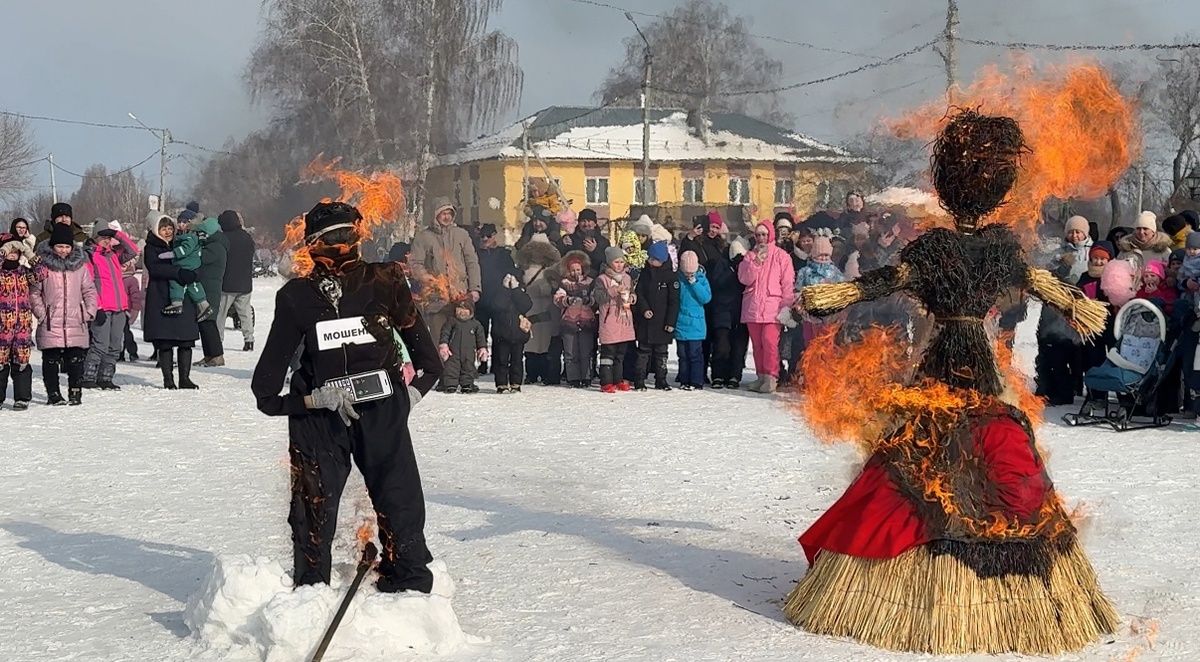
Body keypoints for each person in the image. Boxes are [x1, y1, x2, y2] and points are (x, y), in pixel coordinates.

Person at [786, 110, 1116, 654]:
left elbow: (890, 279)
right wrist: (1073, 300)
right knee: (980, 458)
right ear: (999, 188)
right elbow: (1030, 280)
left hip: (945, 360)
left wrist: (842, 295)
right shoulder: (995, 249)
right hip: (975, 365)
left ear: (945, 185)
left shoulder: (943, 247)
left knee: (924, 457)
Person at [251, 201, 443, 594]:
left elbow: (430, 363)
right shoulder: (296, 296)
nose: (341, 245)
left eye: (347, 235)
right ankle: (311, 592)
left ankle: (409, 587)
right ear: (311, 245)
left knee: (399, 499)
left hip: (382, 409)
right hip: (320, 419)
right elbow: (265, 392)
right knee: (312, 509)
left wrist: (409, 397)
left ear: (359, 234)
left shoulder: (386, 279)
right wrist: (311, 402)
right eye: (331, 239)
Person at [31, 224, 97, 406]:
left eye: (67, 246)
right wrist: (42, 314)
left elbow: (90, 290)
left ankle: (75, 391)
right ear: (52, 246)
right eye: (60, 246)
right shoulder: (43, 267)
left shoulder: (79, 267)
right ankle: (53, 393)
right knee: (51, 359)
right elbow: (34, 292)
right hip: (51, 321)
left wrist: (88, 311)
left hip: (76, 320)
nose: (63, 250)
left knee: (76, 359)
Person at [409, 197, 482, 341]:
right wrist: (429, 280)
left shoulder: (461, 234)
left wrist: (475, 288)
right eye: (443, 213)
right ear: (435, 215)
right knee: (439, 340)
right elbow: (415, 264)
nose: (447, 216)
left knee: (461, 342)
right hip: (436, 299)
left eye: (449, 213)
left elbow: (472, 262)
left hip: (460, 298)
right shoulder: (423, 237)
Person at [143, 215, 201, 390]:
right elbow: (155, 268)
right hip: (161, 295)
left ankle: (185, 378)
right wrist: (178, 272)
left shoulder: (182, 243)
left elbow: (195, 259)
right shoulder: (151, 248)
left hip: (183, 295)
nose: (167, 232)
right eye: (163, 229)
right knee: (165, 340)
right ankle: (168, 378)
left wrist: (194, 273)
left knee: (186, 340)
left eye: (170, 228)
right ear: (156, 230)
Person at [738, 220, 796, 394]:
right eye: (758, 235)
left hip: (773, 308)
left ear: (770, 235)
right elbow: (744, 279)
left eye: (764, 234)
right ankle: (761, 376)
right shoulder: (749, 256)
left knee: (770, 343)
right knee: (757, 345)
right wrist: (755, 263)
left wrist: (786, 307)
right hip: (753, 307)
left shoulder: (781, 256)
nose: (761, 238)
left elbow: (787, 284)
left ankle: (771, 377)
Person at [81, 224, 138, 390]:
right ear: (94, 238)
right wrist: (96, 307)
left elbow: (133, 251)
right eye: (103, 237)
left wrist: (117, 235)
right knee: (100, 344)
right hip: (103, 308)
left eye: (108, 238)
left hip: (119, 306)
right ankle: (88, 376)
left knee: (115, 345)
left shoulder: (113, 254)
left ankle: (106, 377)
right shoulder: (89, 256)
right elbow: (88, 284)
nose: (106, 241)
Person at [633, 241, 679, 391]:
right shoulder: (645, 273)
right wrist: (644, 309)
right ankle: (639, 379)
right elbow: (639, 292)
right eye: (650, 258)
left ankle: (661, 379)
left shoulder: (671, 277)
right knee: (643, 353)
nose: (650, 261)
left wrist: (670, 322)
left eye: (654, 259)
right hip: (646, 322)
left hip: (663, 322)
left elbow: (674, 301)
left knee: (661, 353)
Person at [516, 238, 563, 385]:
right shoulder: (524, 268)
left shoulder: (554, 269)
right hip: (530, 307)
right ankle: (531, 373)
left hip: (548, 308)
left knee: (545, 343)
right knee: (531, 342)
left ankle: (544, 372)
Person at [0, 234, 36, 409]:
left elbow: (42, 272)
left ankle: (22, 397)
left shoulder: (23, 272)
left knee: (21, 361)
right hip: (2, 326)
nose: (12, 253)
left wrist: (29, 253)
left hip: (22, 325)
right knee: (0, 362)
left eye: (16, 250)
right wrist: (3, 250)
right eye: (9, 250)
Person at [595, 247, 636, 394]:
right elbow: (598, 298)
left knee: (621, 354)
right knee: (608, 354)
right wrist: (613, 291)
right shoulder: (602, 279)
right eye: (616, 262)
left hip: (624, 319)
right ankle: (606, 381)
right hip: (610, 319)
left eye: (621, 262)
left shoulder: (627, 277)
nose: (619, 265)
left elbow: (632, 292)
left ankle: (619, 379)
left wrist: (631, 297)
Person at [554, 250, 597, 388]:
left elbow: (596, 298)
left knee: (586, 352)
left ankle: (586, 377)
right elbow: (557, 298)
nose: (576, 273)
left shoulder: (590, 282)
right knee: (570, 352)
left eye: (578, 269)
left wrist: (589, 300)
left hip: (586, 321)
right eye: (572, 270)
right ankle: (572, 377)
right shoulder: (564, 283)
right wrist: (567, 300)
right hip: (569, 321)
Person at [163, 211, 214, 321]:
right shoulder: (184, 235)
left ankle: (177, 302)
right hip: (188, 264)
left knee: (176, 282)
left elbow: (185, 249)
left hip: (187, 264)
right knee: (193, 285)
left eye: (184, 222)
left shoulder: (190, 236)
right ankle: (203, 304)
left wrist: (172, 254)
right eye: (179, 222)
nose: (181, 224)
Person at [218, 210, 256, 352]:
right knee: (245, 312)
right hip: (245, 281)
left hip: (227, 282)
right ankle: (249, 340)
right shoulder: (247, 237)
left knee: (220, 314)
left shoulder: (223, 238)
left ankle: (218, 341)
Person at [194, 217, 229, 367]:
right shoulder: (214, 244)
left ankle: (217, 355)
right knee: (204, 322)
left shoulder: (215, 247)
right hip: (206, 286)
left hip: (210, 288)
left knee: (209, 322)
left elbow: (199, 258)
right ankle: (209, 355)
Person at [675, 251, 711, 391]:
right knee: (682, 355)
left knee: (695, 354)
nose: (688, 275)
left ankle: (697, 380)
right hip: (680, 322)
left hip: (696, 324)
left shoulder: (701, 279)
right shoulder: (677, 279)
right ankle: (684, 379)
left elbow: (706, 298)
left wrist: (694, 283)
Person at [491, 271, 533, 394]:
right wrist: (504, 289)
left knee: (517, 360)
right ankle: (501, 384)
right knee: (501, 360)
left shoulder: (521, 293)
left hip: (518, 333)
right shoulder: (499, 293)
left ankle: (516, 383)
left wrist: (516, 290)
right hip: (501, 333)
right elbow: (497, 305)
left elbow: (526, 305)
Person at [437, 299, 487, 394]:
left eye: (465, 309)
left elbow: (480, 337)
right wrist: (444, 344)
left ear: (470, 311)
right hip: (453, 350)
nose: (462, 312)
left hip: (469, 351)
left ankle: (467, 384)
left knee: (468, 367)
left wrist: (482, 348)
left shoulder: (475, 324)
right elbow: (445, 333)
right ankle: (451, 384)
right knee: (452, 367)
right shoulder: (452, 321)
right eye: (459, 309)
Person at [118, 260, 144, 362]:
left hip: (126, 310)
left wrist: (135, 310)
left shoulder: (131, 280)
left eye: (123, 266)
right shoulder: (112, 277)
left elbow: (135, 297)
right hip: (115, 308)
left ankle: (132, 351)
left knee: (125, 333)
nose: (121, 269)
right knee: (117, 334)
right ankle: (119, 353)